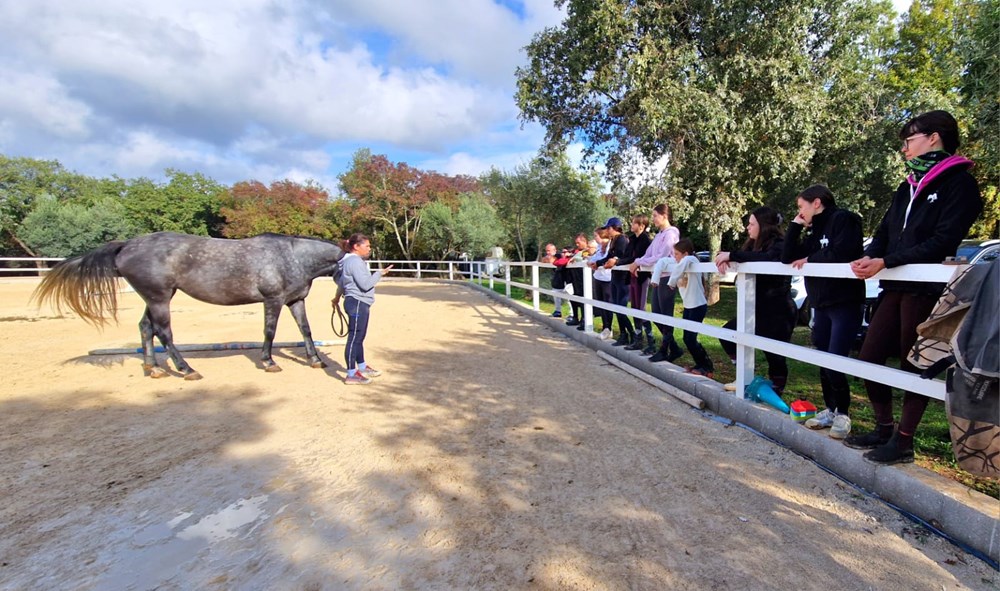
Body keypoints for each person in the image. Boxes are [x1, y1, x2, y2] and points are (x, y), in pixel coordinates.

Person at [847, 110, 984, 464]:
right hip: (895, 286)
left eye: (909, 141)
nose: (904, 149)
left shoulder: (960, 184)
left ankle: (904, 441)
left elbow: (944, 240)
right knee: (869, 356)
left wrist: (887, 261)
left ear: (933, 137)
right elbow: (884, 233)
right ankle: (884, 427)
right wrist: (871, 256)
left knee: (915, 364)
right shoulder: (907, 186)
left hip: (926, 289)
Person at [780, 187, 865, 438]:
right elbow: (787, 256)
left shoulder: (844, 219)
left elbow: (844, 252)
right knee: (822, 356)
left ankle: (843, 413)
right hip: (821, 303)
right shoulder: (814, 230)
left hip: (845, 301)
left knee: (836, 358)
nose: (800, 212)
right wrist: (795, 225)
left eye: (801, 207)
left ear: (816, 202)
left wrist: (811, 260)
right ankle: (831, 408)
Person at [716, 206, 797, 396]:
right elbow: (746, 257)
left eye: (751, 224)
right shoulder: (753, 245)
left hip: (778, 311)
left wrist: (732, 255)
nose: (748, 227)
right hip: (756, 310)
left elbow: (767, 259)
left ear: (764, 226)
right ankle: (744, 375)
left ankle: (775, 393)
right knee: (728, 334)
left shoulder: (779, 244)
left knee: (775, 355)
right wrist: (728, 259)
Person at [334, 233, 393, 385]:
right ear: (356, 246)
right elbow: (365, 285)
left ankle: (361, 366)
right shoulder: (355, 262)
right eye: (366, 246)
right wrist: (379, 273)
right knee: (355, 338)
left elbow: (342, 283)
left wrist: (336, 298)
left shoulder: (349, 261)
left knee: (358, 337)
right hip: (358, 303)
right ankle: (351, 374)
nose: (369, 249)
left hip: (356, 302)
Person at [630, 204, 683, 359]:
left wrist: (638, 262)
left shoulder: (671, 234)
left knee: (665, 314)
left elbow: (661, 256)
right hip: (657, 277)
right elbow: (648, 254)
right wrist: (639, 261)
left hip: (667, 277)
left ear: (664, 216)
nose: (652, 219)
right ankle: (674, 348)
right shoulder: (660, 235)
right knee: (656, 314)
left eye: (655, 216)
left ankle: (664, 350)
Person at [666, 238, 714, 377]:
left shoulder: (691, 260)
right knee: (687, 338)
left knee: (690, 338)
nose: (675, 257)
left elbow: (687, 260)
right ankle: (700, 364)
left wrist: (672, 281)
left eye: (677, 254)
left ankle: (707, 366)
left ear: (685, 253)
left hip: (697, 305)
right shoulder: (682, 264)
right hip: (688, 307)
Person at [595, 217, 634, 346]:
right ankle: (624, 335)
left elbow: (621, 256)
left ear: (613, 228)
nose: (606, 231)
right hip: (615, 277)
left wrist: (614, 261)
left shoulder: (621, 239)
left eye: (608, 228)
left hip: (623, 278)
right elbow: (609, 257)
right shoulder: (613, 240)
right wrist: (598, 263)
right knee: (616, 307)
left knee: (620, 308)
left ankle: (631, 334)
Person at [620, 215, 654, 353]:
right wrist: (619, 261)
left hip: (642, 278)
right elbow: (628, 256)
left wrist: (622, 262)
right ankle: (638, 339)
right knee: (634, 308)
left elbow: (639, 257)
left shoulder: (646, 240)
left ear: (642, 226)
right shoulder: (632, 239)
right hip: (633, 277)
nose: (631, 225)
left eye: (634, 223)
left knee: (641, 308)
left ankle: (651, 342)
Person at [588, 227, 615, 339]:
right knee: (600, 303)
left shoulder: (610, 246)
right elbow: (594, 258)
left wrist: (596, 262)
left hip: (607, 278)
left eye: (596, 236)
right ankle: (605, 327)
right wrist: (591, 261)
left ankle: (608, 327)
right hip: (598, 277)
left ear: (602, 236)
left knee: (607, 303)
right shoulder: (599, 247)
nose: (595, 238)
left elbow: (605, 259)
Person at [565, 233, 594, 331]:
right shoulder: (577, 251)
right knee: (573, 297)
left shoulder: (587, 251)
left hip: (584, 278)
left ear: (585, 241)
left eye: (578, 242)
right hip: (575, 277)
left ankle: (584, 319)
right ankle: (575, 317)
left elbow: (583, 259)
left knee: (583, 298)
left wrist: (574, 258)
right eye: (576, 243)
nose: (577, 245)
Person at [539, 243, 566, 318]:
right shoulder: (552, 256)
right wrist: (547, 258)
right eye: (546, 251)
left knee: (569, 296)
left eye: (549, 250)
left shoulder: (559, 255)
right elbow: (543, 260)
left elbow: (551, 260)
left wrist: (549, 258)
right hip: (558, 278)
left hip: (566, 277)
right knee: (555, 293)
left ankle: (572, 314)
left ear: (554, 250)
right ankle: (558, 311)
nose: (547, 252)